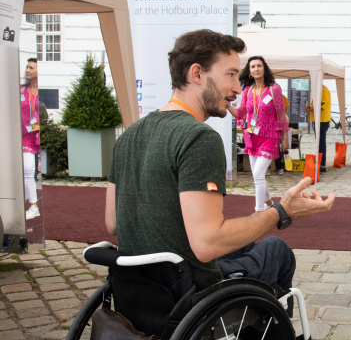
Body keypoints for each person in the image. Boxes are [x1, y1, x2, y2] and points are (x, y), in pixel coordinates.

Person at [106, 29, 335, 297]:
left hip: (138, 290)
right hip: (187, 291)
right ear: (197, 74)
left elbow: (113, 223)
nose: (238, 87)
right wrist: (282, 211)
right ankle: (273, 339)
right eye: (230, 75)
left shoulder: (128, 135)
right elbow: (207, 243)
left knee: (247, 247)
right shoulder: (198, 138)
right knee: (276, 249)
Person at [227, 56, 289, 211]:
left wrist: (285, 137)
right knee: (256, 175)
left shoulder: (274, 89)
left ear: (264, 68)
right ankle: (270, 203)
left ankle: (259, 210)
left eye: (259, 66)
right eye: (252, 66)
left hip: (270, 137)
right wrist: (226, 104)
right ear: (249, 72)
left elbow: (281, 114)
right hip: (252, 137)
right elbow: (240, 112)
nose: (256, 69)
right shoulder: (247, 91)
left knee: (259, 174)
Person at [21, 58, 41, 220]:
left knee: (29, 171)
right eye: (27, 67)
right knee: (26, 171)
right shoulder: (21, 91)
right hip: (21, 137)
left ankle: (33, 205)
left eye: (31, 67)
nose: (27, 70)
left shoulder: (40, 93)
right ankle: (31, 205)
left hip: (35, 137)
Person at [304, 83, 331, 172]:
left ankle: (322, 163)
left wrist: (310, 110)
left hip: (322, 120)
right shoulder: (318, 90)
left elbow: (321, 106)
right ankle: (320, 160)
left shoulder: (323, 90)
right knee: (319, 142)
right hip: (317, 119)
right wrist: (311, 108)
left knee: (321, 142)